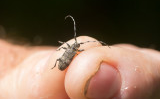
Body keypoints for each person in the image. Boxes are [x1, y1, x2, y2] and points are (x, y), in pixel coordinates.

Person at [0, 36, 159, 99]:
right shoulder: (72, 50)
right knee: (81, 63)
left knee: (83, 63)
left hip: (64, 65)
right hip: (62, 66)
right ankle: (11, 71)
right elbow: (67, 56)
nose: (76, 46)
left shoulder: (72, 50)